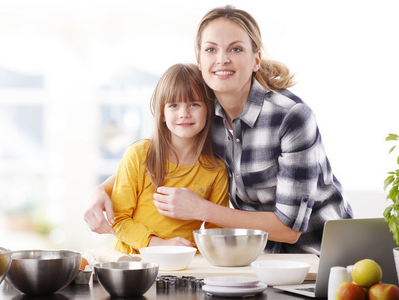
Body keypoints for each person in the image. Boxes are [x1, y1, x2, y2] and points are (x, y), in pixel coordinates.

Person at [84, 5, 353, 255]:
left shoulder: (291, 118)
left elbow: (290, 228)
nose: (222, 59)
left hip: (322, 256)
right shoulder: (199, 114)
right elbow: (148, 160)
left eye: (235, 49)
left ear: (256, 59)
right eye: (211, 50)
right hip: (259, 258)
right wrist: (98, 191)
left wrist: (202, 210)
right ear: (200, 61)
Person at [107, 63, 229, 254]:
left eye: (194, 104)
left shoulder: (216, 170)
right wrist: (159, 245)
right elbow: (119, 220)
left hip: (183, 268)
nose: (184, 113)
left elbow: (215, 234)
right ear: (162, 114)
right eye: (174, 105)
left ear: (208, 109)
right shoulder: (138, 155)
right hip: (134, 266)